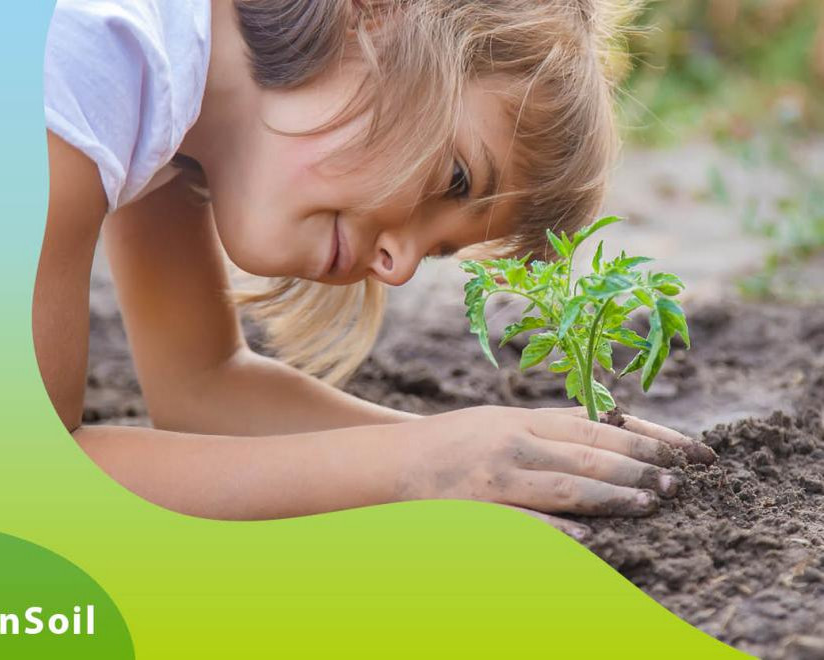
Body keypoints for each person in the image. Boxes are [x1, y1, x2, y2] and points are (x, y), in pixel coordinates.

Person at [35, 0, 715, 538]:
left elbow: (200, 389)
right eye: (455, 178)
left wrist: (487, 455)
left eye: (441, 250)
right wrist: (416, 468)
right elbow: (20, 479)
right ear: (378, 12)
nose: (397, 266)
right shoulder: (91, 52)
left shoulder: (182, 122)